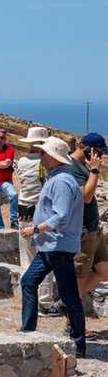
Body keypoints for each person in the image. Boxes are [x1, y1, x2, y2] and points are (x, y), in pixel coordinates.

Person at [19, 136, 86, 358]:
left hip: (58, 246)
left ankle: (78, 344)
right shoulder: (58, 178)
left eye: (44, 154)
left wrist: (35, 229)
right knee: (28, 282)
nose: (41, 156)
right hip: (51, 246)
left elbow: (61, 217)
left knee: (69, 296)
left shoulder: (61, 182)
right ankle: (27, 332)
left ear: (54, 158)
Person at [68, 133, 108, 340]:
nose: (100, 157)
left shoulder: (83, 165)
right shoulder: (73, 167)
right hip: (83, 230)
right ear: (89, 150)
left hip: (94, 228)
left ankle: (72, 301)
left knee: (104, 268)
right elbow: (85, 196)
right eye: (99, 152)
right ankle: (74, 324)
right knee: (79, 277)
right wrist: (94, 169)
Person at [17, 127, 58, 317]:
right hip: (39, 211)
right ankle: (45, 303)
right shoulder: (45, 164)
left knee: (26, 257)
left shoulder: (22, 161)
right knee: (44, 258)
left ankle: (28, 297)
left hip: (22, 208)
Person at [0, 129, 19, 229]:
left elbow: (6, 163)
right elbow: (3, 164)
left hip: (5, 181)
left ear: (5, 139)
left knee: (13, 194)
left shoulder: (9, 150)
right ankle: (0, 227)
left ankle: (14, 221)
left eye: (2, 138)